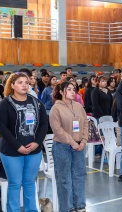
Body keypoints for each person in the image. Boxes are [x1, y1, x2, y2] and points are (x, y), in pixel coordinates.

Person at [0, 73, 48, 211]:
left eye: (26, 82)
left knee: (30, 183)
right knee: (15, 183)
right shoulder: (4, 104)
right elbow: (2, 129)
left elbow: (44, 124)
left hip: (34, 151)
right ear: (12, 85)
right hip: (12, 151)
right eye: (20, 82)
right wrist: (18, 146)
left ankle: (31, 209)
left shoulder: (36, 102)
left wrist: (37, 143)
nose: (24, 85)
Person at [49, 81, 88, 212]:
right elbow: (57, 130)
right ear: (61, 92)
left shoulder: (78, 106)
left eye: (74, 89)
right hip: (62, 147)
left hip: (79, 146)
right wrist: (72, 143)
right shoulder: (56, 108)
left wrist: (83, 140)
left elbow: (86, 124)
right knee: (64, 179)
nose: (73, 91)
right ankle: (67, 207)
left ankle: (80, 205)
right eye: (69, 89)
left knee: (80, 175)